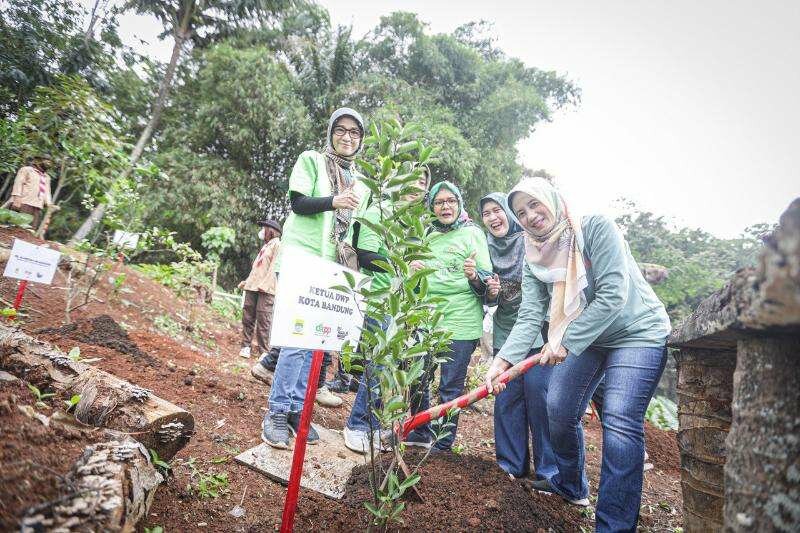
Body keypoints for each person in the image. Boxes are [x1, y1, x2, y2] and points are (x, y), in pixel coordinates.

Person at [484, 177, 671, 531]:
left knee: (619, 420)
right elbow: (529, 314)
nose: (530, 215)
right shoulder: (532, 252)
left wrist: (565, 341)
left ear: (552, 199)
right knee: (558, 405)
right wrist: (502, 360)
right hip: (592, 338)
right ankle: (570, 485)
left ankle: (614, 525)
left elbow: (613, 294)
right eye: (521, 212)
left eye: (534, 204)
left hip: (637, 332)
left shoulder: (594, 228)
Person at [261, 107, 371, 449]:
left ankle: (297, 411)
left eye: (354, 132)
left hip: (333, 269)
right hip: (302, 259)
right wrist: (335, 201)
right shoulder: (312, 159)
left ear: (361, 139)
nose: (347, 137)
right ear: (331, 132)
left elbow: (356, 231)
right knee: (296, 340)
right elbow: (298, 203)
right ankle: (277, 412)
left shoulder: (361, 183)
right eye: (341, 129)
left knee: (315, 344)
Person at [342, 168, 431, 453]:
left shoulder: (410, 223)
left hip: (396, 303)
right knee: (377, 364)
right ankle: (356, 425)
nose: (417, 186)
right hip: (376, 299)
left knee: (387, 367)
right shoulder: (380, 210)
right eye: (412, 179)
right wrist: (402, 266)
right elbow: (365, 255)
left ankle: (373, 426)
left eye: (423, 183)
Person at [403, 180, 492, 452]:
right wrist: (411, 271)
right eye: (439, 202)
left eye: (451, 201)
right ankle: (420, 431)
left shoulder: (473, 233)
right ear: (432, 207)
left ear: (459, 204)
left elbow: (487, 282)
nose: (445, 206)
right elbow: (413, 287)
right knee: (417, 377)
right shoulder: (426, 235)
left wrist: (473, 275)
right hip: (427, 317)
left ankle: (443, 444)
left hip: (461, 320)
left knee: (450, 386)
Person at [477, 192, 557, 481]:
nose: (493, 217)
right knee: (507, 399)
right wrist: (489, 291)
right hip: (506, 332)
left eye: (497, 210)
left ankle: (549, 472)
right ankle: (510, 466)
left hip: (540, 331)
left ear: (509, 214)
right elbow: (486, 298)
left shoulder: (531, 240)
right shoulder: (484, 247)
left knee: (540, 397)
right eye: (486, 213)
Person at [238, 220, 281, 360]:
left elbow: (275, 266)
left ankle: (263, 352)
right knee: (248, 317)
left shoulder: (277, 245)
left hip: (266, 289)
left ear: (271, 231)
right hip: (252, 287)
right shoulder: (265, 247)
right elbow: (257, 269)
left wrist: (265, 284)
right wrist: (247, 282)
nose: (262, 231)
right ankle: (245, 346)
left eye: (264, 228)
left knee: (264, 320)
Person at [7, 155, 54, 228]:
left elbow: (47, 191)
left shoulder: (47, 177)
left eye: (50, 162)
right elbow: (18, 183)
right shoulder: (27, 170)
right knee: (16, 227)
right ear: (37, 161)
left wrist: (49, 204)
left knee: (30, 229)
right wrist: (17, 198)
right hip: (23, 202)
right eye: (46, 160)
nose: (48, 163)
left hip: (37, 205)